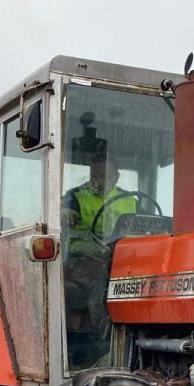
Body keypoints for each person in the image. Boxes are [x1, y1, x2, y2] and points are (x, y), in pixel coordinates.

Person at [61, 154, 137, 365]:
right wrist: (65, 212)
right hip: (81, 261)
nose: (98, 179)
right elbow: (62, 211)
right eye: (95, 174)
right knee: (101, 280)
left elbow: (143, 224)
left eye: (104, 175)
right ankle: (104, 341)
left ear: (117, 177)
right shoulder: (75, 196)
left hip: (121, 260)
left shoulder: (129, 199)